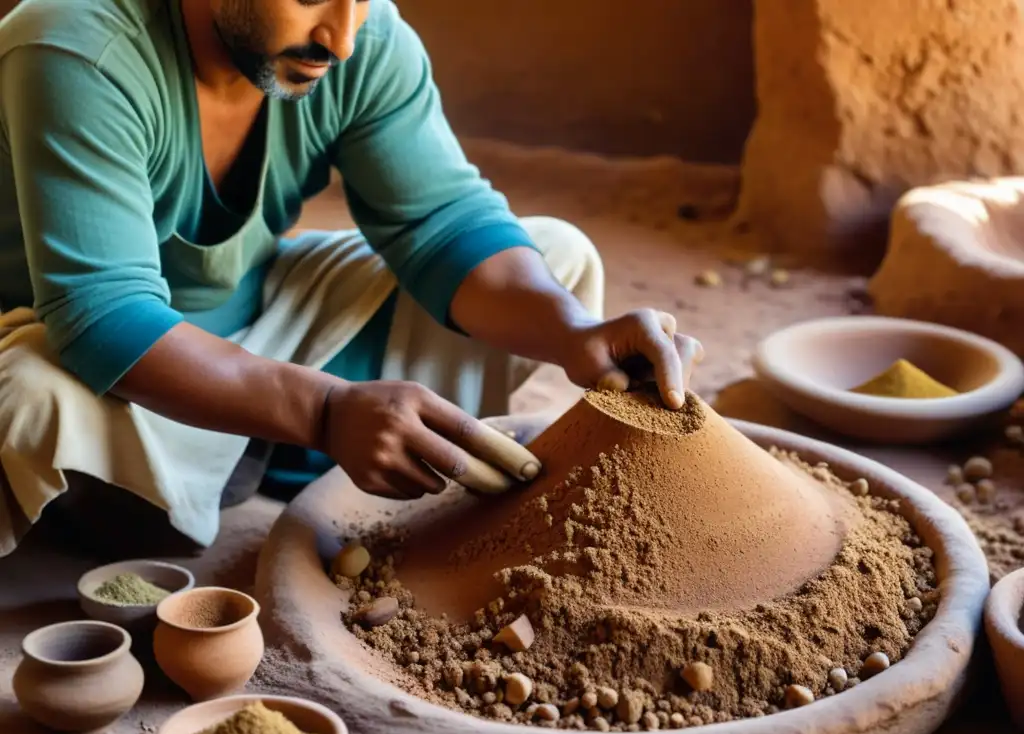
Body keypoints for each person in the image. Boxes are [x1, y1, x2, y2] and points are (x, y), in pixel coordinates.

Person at [0, 0, 703, 558]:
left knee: (556, 256)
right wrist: (324, 411)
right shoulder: (72, 45)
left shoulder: (360, 39)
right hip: (102, 363)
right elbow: (103, 318)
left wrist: (575, 332)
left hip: (262, 321)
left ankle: (240, 449)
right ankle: (247, 455)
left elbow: (445, 223)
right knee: (29, 395)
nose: (340, 36)